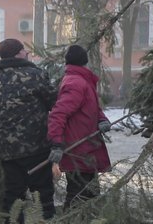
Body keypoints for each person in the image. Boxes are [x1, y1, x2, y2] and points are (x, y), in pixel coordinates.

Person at [0, 38, 58, 223]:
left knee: (13, 196)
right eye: (24, 50)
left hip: (8, 152)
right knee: (43, 195)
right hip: (37, 148)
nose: (27, 53)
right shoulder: (36, 76)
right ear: (18, 53)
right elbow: (56, 104)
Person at [46, 44, 112, 210]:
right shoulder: (76, 82)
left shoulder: (80, 80)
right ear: (85, 61)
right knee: (78, 196)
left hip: (86, 148)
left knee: (91, 194)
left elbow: (91, 107)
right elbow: (58, 114)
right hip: (78, 150)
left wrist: (101, 119)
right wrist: (56, 144)